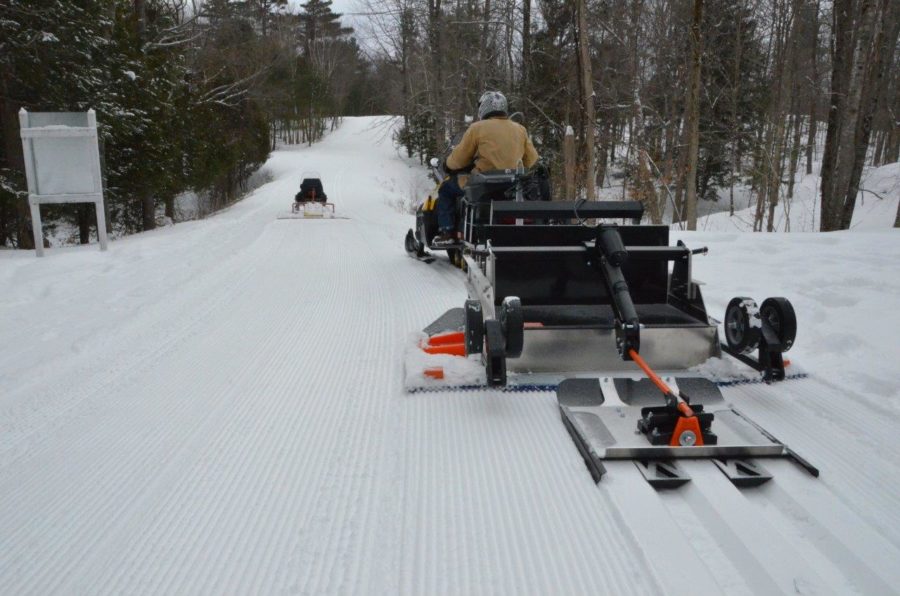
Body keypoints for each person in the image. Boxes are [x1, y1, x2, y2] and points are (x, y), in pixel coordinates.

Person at [433, 91, 539, 244]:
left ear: (484, 107)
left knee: (445, 189)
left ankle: (447, 232)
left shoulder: (477, 128)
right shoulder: (520, 129)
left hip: (483, 185)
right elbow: (532, 158)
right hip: (513, 185)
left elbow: (460, 158)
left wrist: (447, 164)